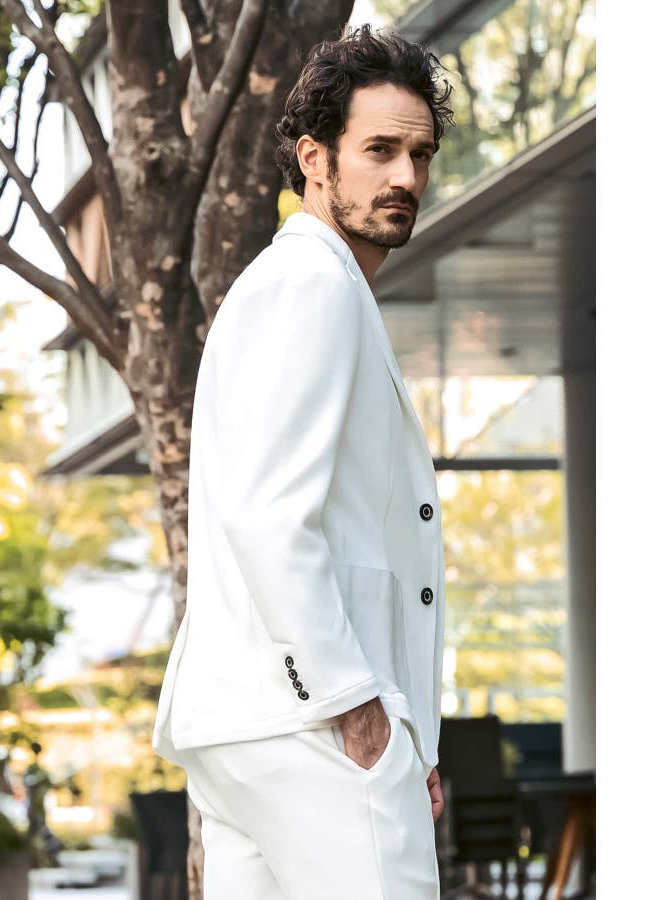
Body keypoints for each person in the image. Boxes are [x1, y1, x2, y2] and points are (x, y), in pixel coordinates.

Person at [152, 23, 455, 899]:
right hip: (310, 727)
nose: (406, 177)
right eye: (380, 150)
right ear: (315, 159)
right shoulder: (312, 284)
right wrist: (358, 706)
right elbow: (268, 515)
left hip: (251, 727)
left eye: (420, 155)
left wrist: (411, 736)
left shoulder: (305, 285)